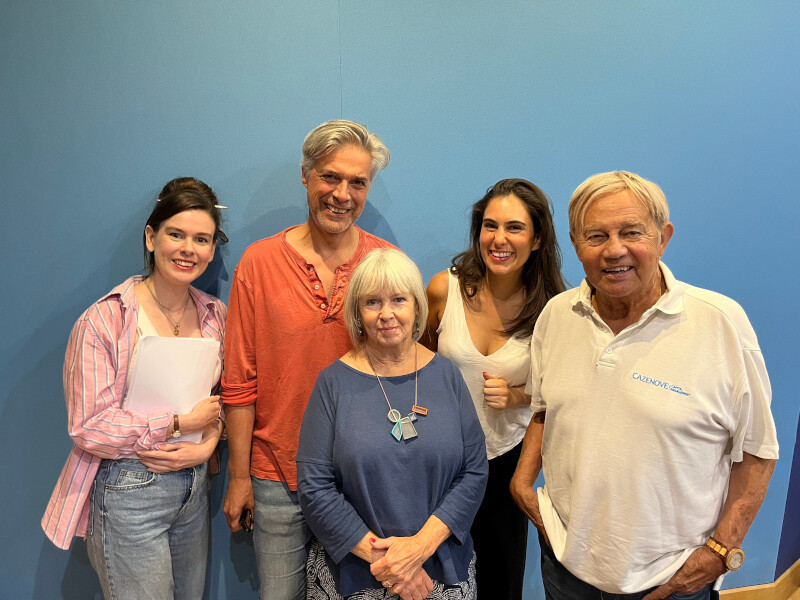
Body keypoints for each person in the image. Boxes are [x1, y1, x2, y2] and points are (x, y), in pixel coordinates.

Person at [510, 171, 779, 600]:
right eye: (595, 235)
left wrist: (721, 550)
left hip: (672, 578)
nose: (614, 250)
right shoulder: (557, 316)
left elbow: (758, 450)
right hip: (564, 562)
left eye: (632, 232)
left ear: (663, 237)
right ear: (576, 244)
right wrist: (522, 483)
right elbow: (545, 408)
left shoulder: (720, 323)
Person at [222, 120, 396, 600]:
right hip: (277, 478)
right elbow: (239, 381)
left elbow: (400, 371)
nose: (342, 194)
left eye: (357, 183)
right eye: (330, 177)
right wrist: (239, 478)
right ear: (306, 176)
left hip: (358, 480)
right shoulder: (258, 263)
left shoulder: (385, 264)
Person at [41, 177, 228, 599]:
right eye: (175, 234)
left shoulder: (217, 315)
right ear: (151, 236)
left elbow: (225, 401)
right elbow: (89, 426)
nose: (188, 249)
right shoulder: (104, 321)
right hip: (128, 492)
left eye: (202, 239)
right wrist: (177, 423)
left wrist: (209, 441)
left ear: (213, 248)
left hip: (193, 488)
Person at [297, 248, 489, 600]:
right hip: (355, 576)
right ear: (357, 311)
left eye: (399, 300)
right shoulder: (332, 383)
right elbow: (315, 488)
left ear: (417, 306)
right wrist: (391, 564)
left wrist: (417, 550)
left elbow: (474, 471)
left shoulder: (447, 375)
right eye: (372, 302)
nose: (387, 314)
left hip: (443, 571)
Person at [424, 178, 567, 600]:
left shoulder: (553, 309)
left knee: (500, 580)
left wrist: (518, 396)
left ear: (538, 238)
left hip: (507, 459)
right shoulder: (442, 289)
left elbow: (557, 393)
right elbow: (414, 365)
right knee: (436, 574)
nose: (499, 239)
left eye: (515, 228)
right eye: (490, 226)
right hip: (442, 459)